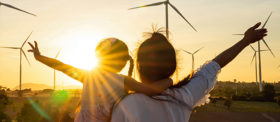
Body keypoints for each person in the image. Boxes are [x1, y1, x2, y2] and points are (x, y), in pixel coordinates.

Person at [111, 22, 267, 122]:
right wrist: (246, 40)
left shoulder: (126, 104)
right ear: (172, 66)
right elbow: (216, 64)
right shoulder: (184, 95)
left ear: (139, 66)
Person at [28, 38, 173, 122]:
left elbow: (60, 66)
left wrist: (39, 57)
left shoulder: (88, 75)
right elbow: (151, 90)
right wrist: (169, 81)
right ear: (122, 62)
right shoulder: (122, 80)